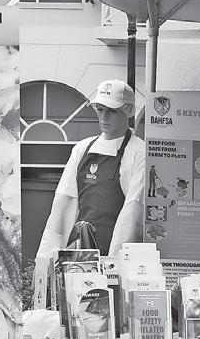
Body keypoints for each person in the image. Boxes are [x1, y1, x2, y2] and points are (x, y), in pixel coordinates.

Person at [36, 80, 147, 262]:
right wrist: (47, 259)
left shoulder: (139, 152)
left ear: (128, 110)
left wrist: (115, 264)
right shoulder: (81, 149)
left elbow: (132, 213)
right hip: (81, 255)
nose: (104, 117)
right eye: (100, 109)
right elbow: (62, 206)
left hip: (118, 256)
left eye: (111, 111)